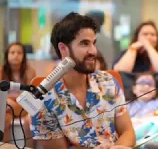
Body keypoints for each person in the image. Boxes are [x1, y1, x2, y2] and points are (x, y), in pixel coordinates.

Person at [30, 12, 135, 149]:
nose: (93, 51)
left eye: (93, 43)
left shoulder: (108, 82)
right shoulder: (43, 99)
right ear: (63, 49)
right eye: (84, 43)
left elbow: (128, 132)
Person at [113, 21, 158, 92]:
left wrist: (149, 48)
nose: (149, 37)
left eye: (153, 35)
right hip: (131, 98)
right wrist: (133, 49)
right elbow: (119, 74)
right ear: (137, 37)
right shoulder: (127, 53)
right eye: (145, 34)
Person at [0, 42, 36, 147]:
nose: (16, 55)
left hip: (25, 106)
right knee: (4, 121)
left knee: (7, 103)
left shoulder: (29, 71)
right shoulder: (1, 71)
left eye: (19, 53)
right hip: (8, 108)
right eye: (12, 52)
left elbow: (29, 93)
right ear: (7, 55)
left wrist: (10, 98)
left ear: (24, 56)